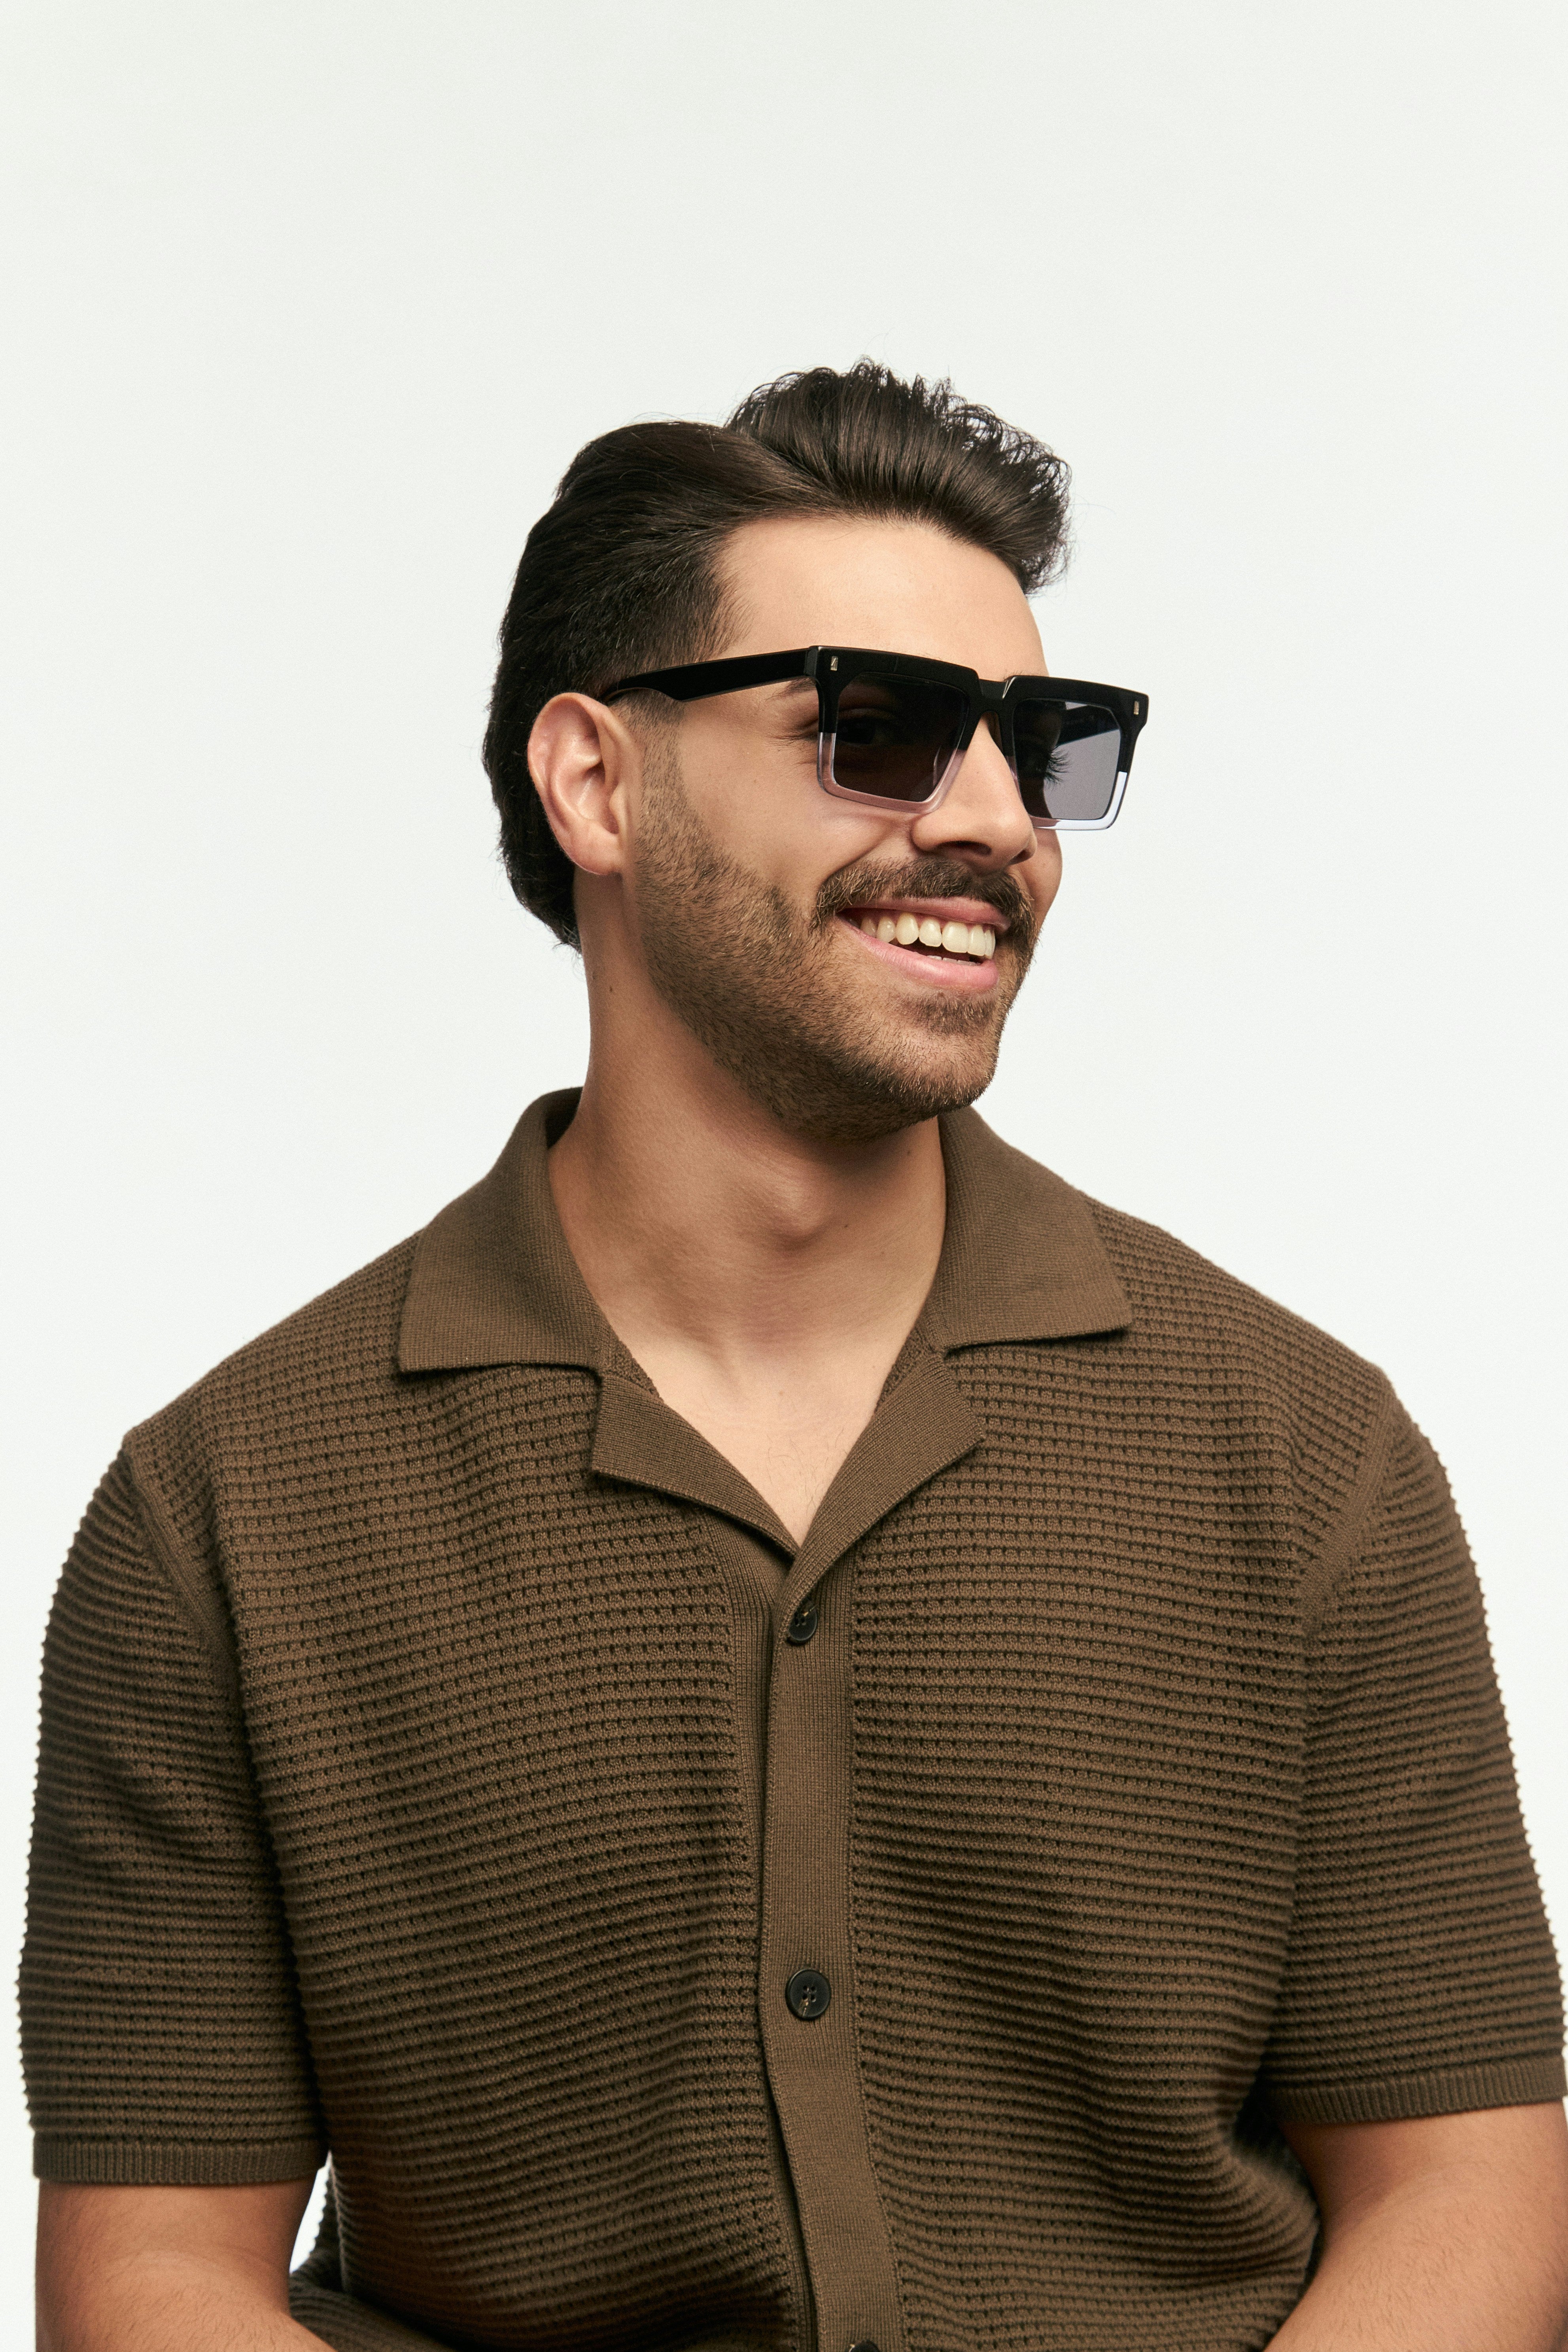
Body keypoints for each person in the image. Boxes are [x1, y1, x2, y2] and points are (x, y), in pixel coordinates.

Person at [23, 363, 1568, 2352]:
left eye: (1040, 746)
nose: (997, 821)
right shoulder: (228, 1512)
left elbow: (1468, 2193)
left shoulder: (1297, 1453)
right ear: (596, 782)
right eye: (879, 728)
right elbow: (151, 2275)